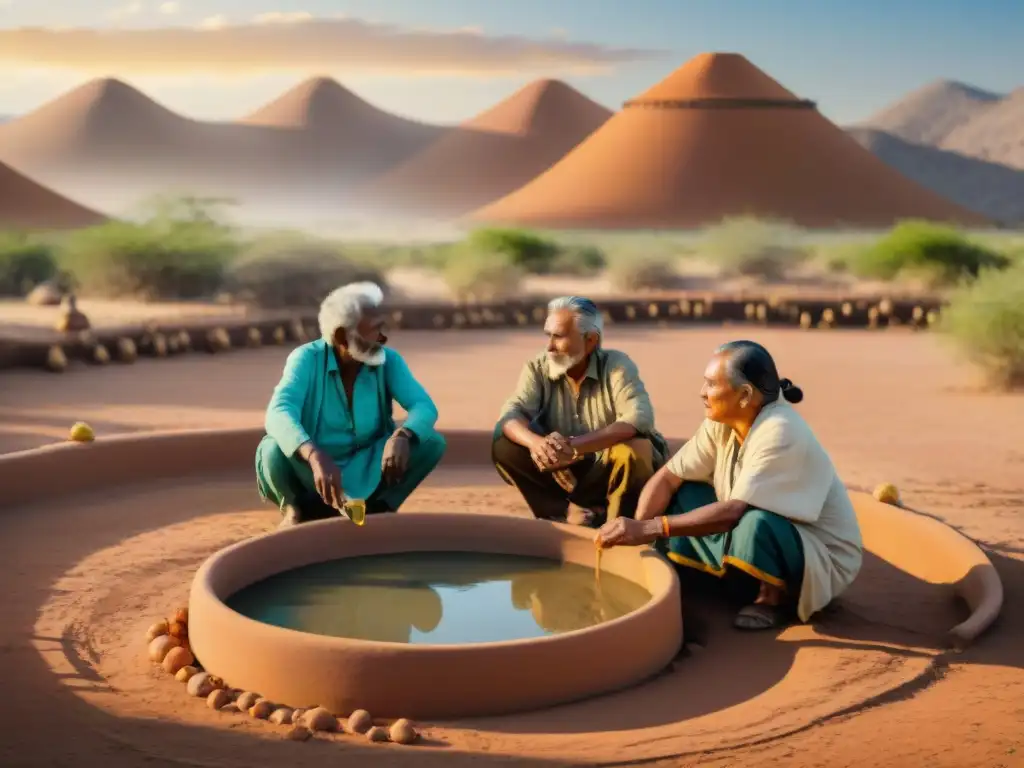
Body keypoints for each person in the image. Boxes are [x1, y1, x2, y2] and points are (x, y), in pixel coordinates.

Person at [595, 340, 863, 631]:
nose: (702, 392)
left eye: (711, 384)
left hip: (817, 556)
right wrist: (640, 532)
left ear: (745, 394)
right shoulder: (722, 420)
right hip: (749, 521)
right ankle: (710, 575)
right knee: (684, 493)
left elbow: (734, 512)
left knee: (755, 522)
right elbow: (668, 478)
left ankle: (771, 598)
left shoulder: (780, 431)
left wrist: (648, 529)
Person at [256, 282, 446, 527]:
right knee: (272, 449)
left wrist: (402, 435)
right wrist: (314, 455)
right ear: (341, 336)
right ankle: (297, 510)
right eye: (374, 330)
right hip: (312, 466)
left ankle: (382, 507)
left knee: (431, 442)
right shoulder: (306, 358)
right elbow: (279, 412)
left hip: (367, 462)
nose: (383, 337)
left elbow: (423, 406)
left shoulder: (389, 361)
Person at [493, 296, 669, 528]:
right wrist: (537, 444)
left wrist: (575, 446)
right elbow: (511, 413)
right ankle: (562, 512)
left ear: (591, 340)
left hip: (616, 469)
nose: (549, 347)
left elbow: (638, 418)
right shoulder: (537, 366)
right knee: (505, 443)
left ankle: (618, 525)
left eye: (559, 337)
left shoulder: (617, 365)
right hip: (567, 471)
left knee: (634, 449)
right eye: (548, 336)